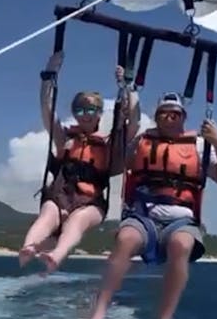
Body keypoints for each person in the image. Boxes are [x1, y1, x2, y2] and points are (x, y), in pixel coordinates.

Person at [75, 91, 217, 319]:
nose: (169, 118)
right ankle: (97, 317)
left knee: (182, 246)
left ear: (183, 117)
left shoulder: (199, 145)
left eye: (175, 113)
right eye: (163, 113)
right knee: (126, 240)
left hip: (181, 219)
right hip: (143, 214)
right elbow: (115, 163)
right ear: (157, 117)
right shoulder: (142, 142)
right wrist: (124, 118)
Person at [19, 52, 137, 272]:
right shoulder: (65, 139)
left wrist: (126, 86)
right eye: (80, 110)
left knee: (77, 223)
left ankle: (56, 255)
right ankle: (29, 246)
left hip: (91, 203)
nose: (85, 115)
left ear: (100, 113)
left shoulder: (109, 145)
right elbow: (47, 111)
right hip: (60, 196)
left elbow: (131, 123)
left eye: (91, 110)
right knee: (48, 215)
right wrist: (48, 78)